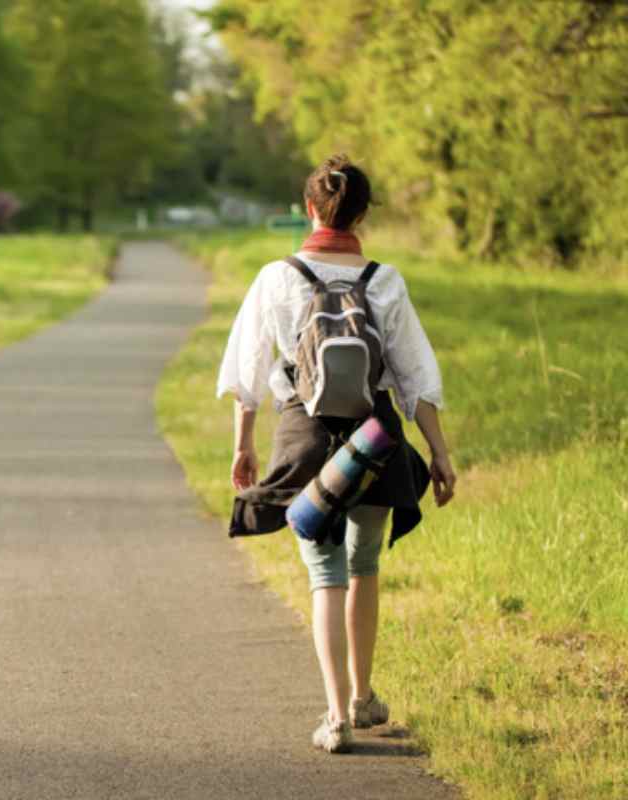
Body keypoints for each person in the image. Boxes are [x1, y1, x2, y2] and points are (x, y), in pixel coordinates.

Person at [216, 154, 457, 753]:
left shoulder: (278, 276)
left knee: (326, 573)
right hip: (374, 437)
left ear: (308, 209)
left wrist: (243, 445)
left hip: (303, 436)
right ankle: (362, 694)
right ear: (362, 215)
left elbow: (249, 372)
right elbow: (415, 378)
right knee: (364, 565)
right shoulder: (385, 280)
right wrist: (440, 453)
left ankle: (336, 717)